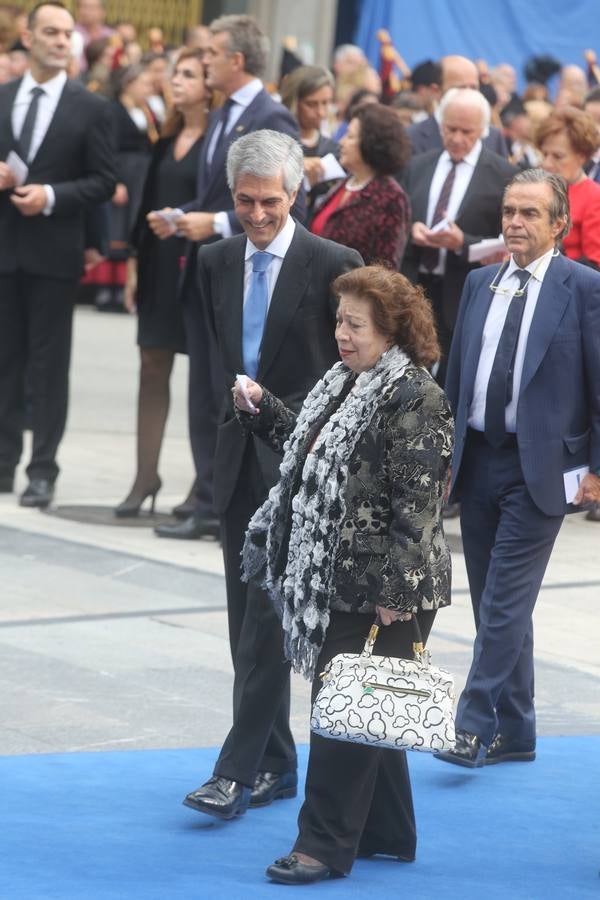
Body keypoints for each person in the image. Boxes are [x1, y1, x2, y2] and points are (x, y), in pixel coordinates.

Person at [233, 265, 452, 884]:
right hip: (334, 576)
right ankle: (387, 833)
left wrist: (396, 595)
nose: (342, 334)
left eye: (355, 324)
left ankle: (323, 846)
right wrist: (263, 411)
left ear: (390, 331)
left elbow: (420, 507)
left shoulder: (416, 396)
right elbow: (307, 453)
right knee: (366, 704)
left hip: (385, 586)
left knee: (342, 713)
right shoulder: (342, 383)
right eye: (339, 321)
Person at [181, 130, 362, 823]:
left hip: (300, 464)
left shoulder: (330, 261)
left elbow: (350, 367)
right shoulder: (215, 260)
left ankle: (236, 770)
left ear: (295, 195)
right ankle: (277, 765)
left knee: (263, 621)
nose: (258, 215)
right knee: (241, 621)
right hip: (234, 462)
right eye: (246, 201)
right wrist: (210, 453)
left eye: (272, 202)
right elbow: (209, 362)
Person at [437, 169, 600, 769]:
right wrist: (444, 456)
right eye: (509, 211)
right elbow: (455, 379)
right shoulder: (480, 284)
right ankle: (519, 728)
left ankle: (473, 723)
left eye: (529, 213)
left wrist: (597, 469)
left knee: (505, 601)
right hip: (477, 459)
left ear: (559, 224)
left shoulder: (582, 288)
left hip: (544, 469)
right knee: (495, 601)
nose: (514, 223)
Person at [150, 14, 304, 541]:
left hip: (249, 270)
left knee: (236, 386)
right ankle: (208, 493)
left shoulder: (271, 115)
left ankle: (222, 502)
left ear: (237, 60)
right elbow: (219, 192)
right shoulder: (222, 113)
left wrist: (212, 222)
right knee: (204, 390)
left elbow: (269, 199)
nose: (205, 59)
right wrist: (183, 215)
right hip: (210, 269)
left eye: (213, 52)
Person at [0, 1, 115, 506]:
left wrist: (50, 196)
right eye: (50, 31)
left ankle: (43, 468)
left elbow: (103, 181)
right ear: (28, 37)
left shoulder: (90, 107)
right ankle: (3, 463)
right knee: (5, 362)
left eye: (67, 32)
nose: (61, 40)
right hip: (4, 249)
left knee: (49, 365)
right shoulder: (2, 97)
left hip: (53, 252)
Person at [115, 49, 212, 518]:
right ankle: (143, 475)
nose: (177, 82)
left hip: (198, 264)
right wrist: (134, 268)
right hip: (157, 263)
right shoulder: (165, 136)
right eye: (176, 74)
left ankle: (203, 482)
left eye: (190, 75)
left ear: (210, 85)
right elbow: (144, 206)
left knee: (204, 378)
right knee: (151, 368)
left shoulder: (218, 140)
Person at [401, 88, 517, 384]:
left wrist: (463, 243)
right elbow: (402, 214)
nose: (456, 138)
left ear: (482, 131)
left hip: (463, 290)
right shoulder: (419, 165)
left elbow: (507, 238)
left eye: (466, 132)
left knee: (452, 379)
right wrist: (412, 228)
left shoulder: (502, 174)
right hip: (415, 284)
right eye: (450, 129)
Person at [310, 103, 411, 268]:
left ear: (370, 143)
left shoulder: (390, 198)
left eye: (349, 136)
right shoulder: (344, 183)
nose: (341, 142)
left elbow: (384, 270)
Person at [406, 55, 509, 158]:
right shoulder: (411, 138)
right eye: (460, 88)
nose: (468, 94)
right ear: (435, 91)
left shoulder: (493, 137)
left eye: (473, 88)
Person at [535, 107, 600, 268]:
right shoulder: (536, 189)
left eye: (558, 156)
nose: (547, 164)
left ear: (582, 156)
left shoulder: (594, 197)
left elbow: (595, 263)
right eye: (545, 154)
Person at [279, 65, 338, 211]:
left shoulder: (333, 149)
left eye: (326, 103)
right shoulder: (277, 141)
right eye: (311, 104)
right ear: (294, 102)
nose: (321, 112)